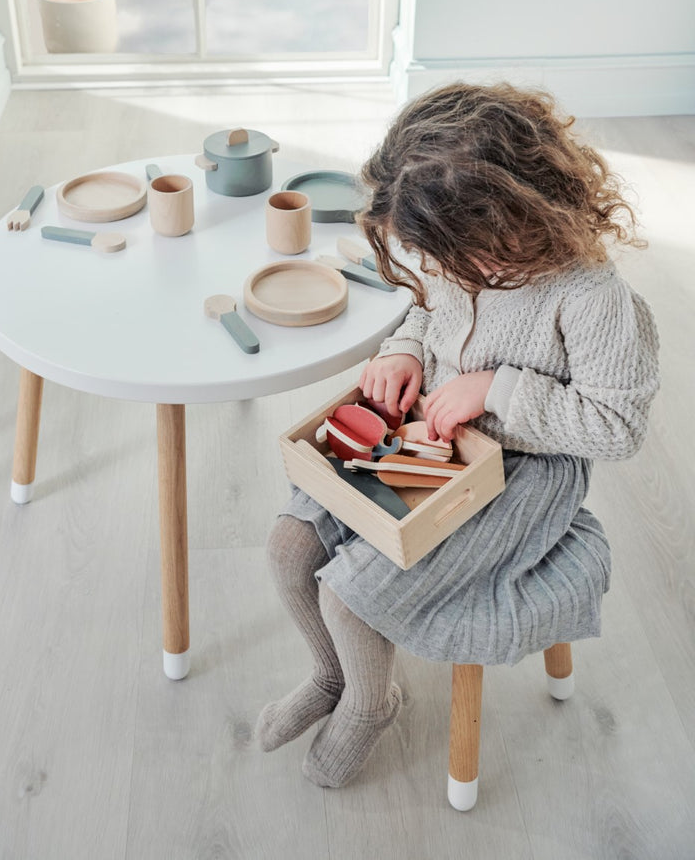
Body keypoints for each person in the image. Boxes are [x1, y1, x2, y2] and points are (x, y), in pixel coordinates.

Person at [256, 82, 660, 789]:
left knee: (353, 597)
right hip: (430, 430)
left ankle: (372, 701)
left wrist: (497, 389)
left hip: (528, 471)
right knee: (291, 548)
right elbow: (427, 309)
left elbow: (617, 424)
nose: (441, 272)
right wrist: (404, 350)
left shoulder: (593, 297)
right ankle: (332, 677)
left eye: (455, 258)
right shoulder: (457, 254)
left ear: (515, 223)